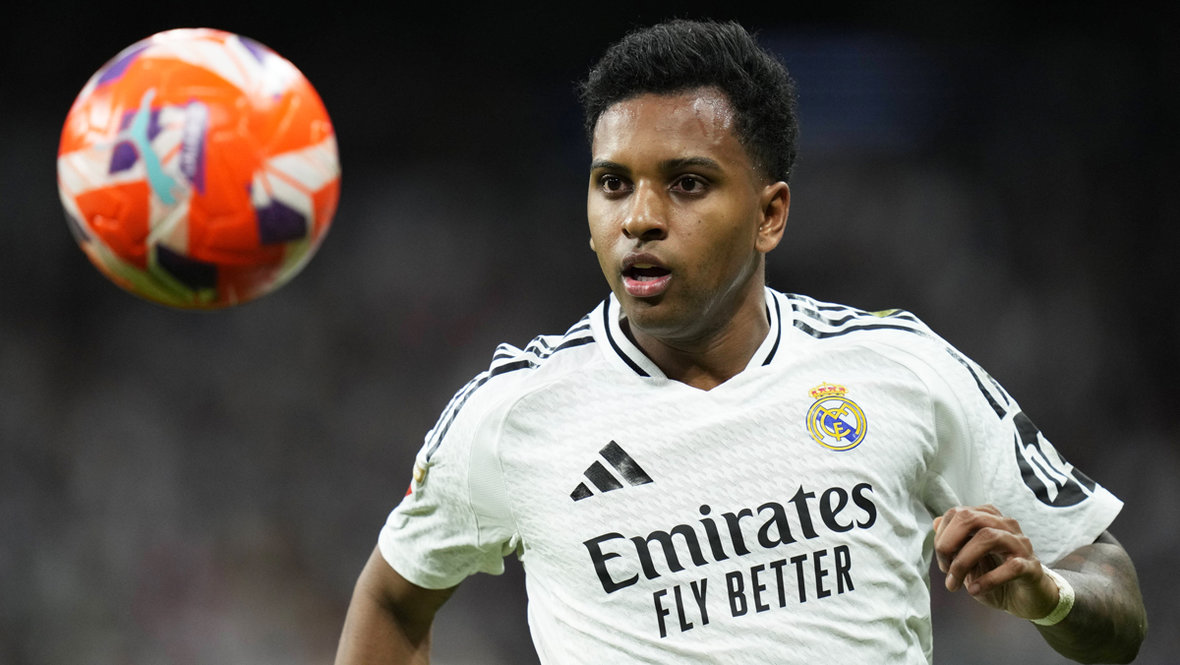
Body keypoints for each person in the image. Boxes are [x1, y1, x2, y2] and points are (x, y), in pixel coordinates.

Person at [335, 19, 1147, 664]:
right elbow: (393, 599)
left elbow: (1113, 594)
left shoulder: (899, 366)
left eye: (686, 183)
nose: (639, 217)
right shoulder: (513, 411)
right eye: (613, 183)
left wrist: (1050, 597)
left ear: (770, 213)